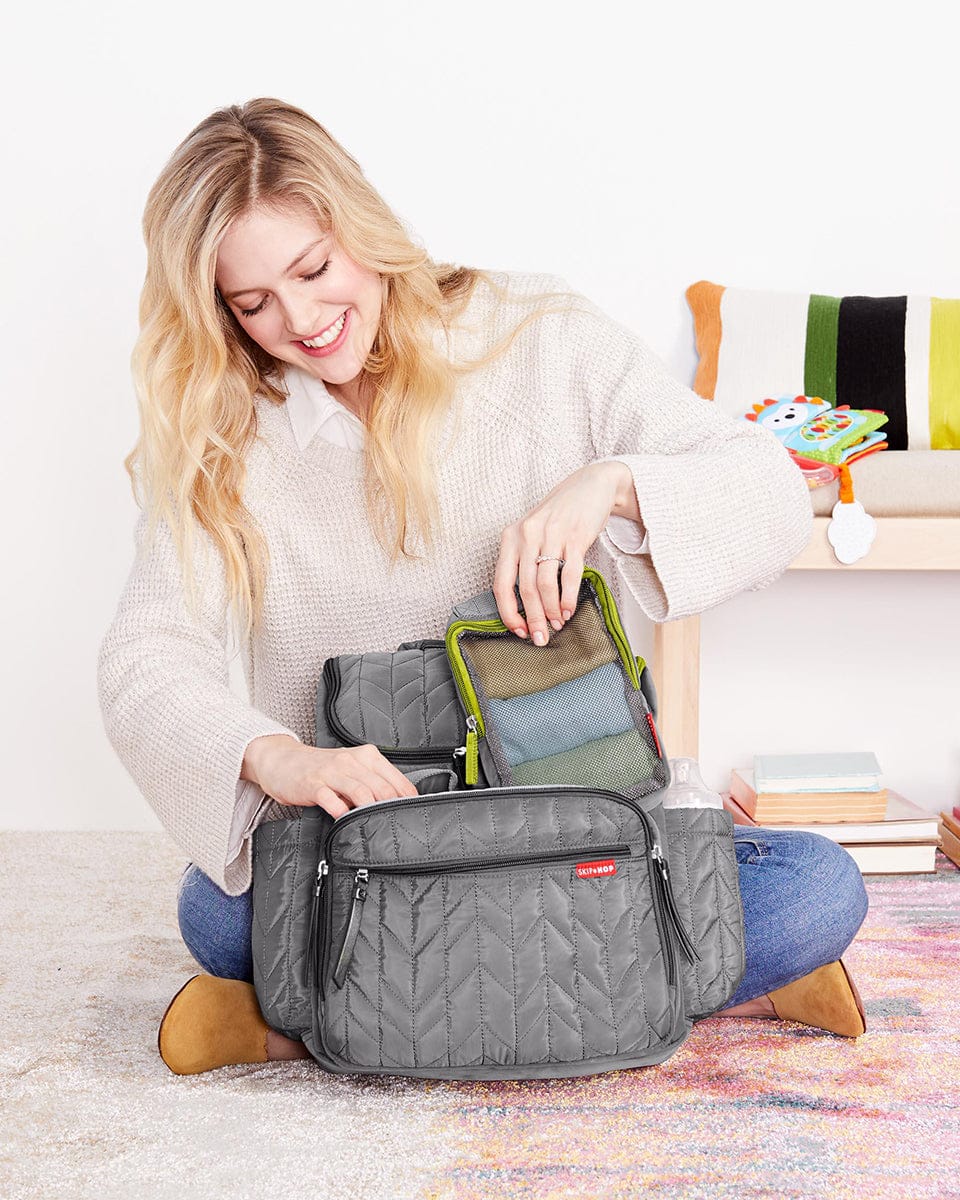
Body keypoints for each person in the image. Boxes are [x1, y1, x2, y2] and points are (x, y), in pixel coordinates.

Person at [97, 98, 868, 1076]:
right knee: (213, 910)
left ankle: (314, 1018)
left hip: (570, 846)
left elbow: (769, 490)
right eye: (252, 304)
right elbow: (144, 657)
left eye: (314, 269)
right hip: (371, 857)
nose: (299, 321)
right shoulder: (227, 432)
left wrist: (611, 486)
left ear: (361, 228)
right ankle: (671, 982)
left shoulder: (537, 337)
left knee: (819, 887)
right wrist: (277, 756)